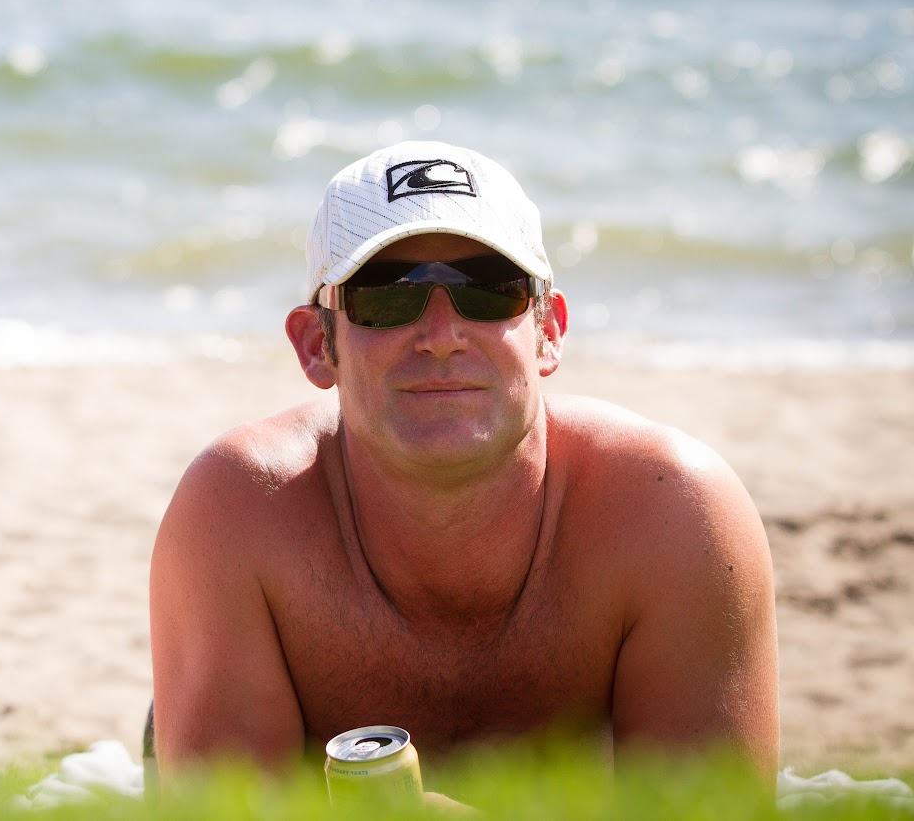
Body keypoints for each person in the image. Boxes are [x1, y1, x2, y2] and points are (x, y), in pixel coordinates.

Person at [149, 140, 778, 786]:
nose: (442, 337)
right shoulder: (240, 512)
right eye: (387, 296)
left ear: (548, 331)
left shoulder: (671, 513)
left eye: (488, 290)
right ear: (317, 344)